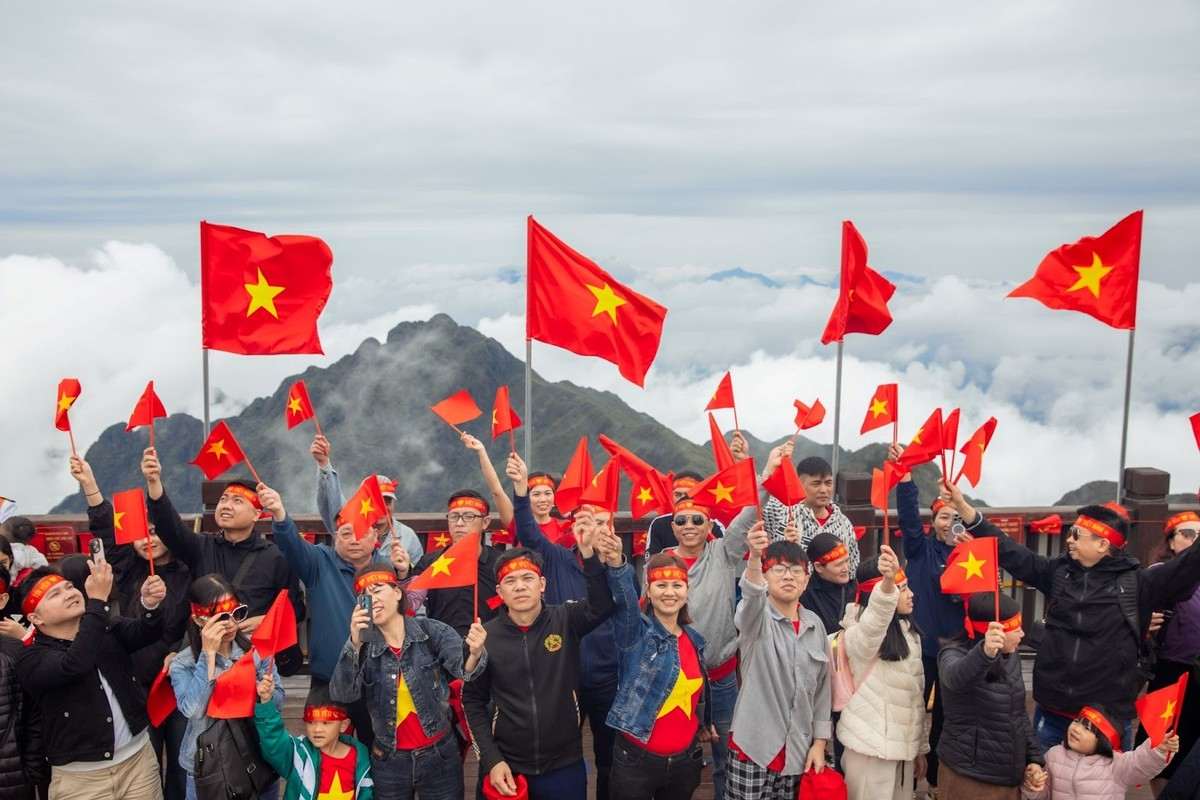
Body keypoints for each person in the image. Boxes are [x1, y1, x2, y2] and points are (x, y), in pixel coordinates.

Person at [939, 479, 1200, 752]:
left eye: (1076, 534)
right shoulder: (1059, 572)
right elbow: (1009, 550)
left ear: (1102, 544)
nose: (1068, 539)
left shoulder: (1141, 583)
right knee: (1043, 785)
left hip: (1105, 719)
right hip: (1053, 711)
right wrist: (964, 509)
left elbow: (1188, 566)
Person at [462, 508, 617, 800]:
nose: (520, 586)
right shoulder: (485, 636)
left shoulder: (566, 618)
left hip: (564, 764)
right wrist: (492, 760)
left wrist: (588, 555)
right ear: (500, 590)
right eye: (510, 581)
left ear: (542, 585)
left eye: (528, 578)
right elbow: (472, 701)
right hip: (507, 765)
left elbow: (602, 606)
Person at [70, 454, 192, 799]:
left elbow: (198, 621)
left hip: (180, 682)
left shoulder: (190, 571)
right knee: (147, 763)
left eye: (155, 532)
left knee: (183, 764)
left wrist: (179, 653)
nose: (148, 539)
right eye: (142, 534)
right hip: (137, 682)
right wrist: (90, 486)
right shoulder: (127, 571)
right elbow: (106, 531)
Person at [502, 453, 622, 800]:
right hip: (560, 678)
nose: (595, 529)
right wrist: (521, 491)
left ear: (610, 529)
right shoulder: (555, 556)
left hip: (606, 678)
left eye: (602, 522)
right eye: (586, 522)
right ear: (574, 528)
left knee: (609, 758)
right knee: (564, 759)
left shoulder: (619, 570)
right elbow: (527, 531)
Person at [268, 478, 416, 747]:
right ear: (336, 538)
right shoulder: (318, 562)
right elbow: (291, 545)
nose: (354, 540)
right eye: (346, 534)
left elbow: (410, 613)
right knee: (328, 753)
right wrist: (279, 514)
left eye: (361, 532)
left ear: (375, 536)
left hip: (379, 677)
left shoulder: (389, 568)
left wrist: (405, 574)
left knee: (381, 750)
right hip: (329, 678)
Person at [331, 564, 486, 799]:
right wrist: (354, 643)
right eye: (364, 596)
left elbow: (463, 669)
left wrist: (475, 653)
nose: (371, 599)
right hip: (388, 760)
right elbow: (342, 693)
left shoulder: (432, 631)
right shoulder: (363, 646)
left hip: (440, 755)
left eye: (377, 589)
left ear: (397, 593)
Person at [15, 560, 167, 799]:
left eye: (69, 587)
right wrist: (97, 602)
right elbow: (75, 663)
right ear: (36, 618)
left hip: (138, 761)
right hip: (80, 779)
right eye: (55, 594)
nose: (69, 594)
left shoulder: (105, 628)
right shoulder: (31, 657)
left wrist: (150, 604)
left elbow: (148, 632)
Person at [142, 449, 305, 644]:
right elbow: (169, 527)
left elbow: (295, 610)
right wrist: (154, 482)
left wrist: (266, 621)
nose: (226, 505)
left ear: (256, 514)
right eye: (223, 500)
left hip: (254, 657)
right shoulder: (201, 546)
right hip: (205, 652)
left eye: (237, 501)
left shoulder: (275, 557)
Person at [598, 535, 715, 800]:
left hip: (686, 760)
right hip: (636, 762)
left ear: (687, 592)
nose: (670, 592)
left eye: (677, 585)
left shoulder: (694, 640)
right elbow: (625, 602)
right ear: (648, 591)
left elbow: (697, 690)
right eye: (661, 585)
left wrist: (704, 722)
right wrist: (617, 561)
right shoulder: (636, 634)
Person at [726, 526, 830, 800]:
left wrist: (819, 744)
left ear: (806, 580)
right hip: (753, 747)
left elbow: (822, 692)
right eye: (779, 569)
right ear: (766, 577)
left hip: (798, 751)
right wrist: (755, 559)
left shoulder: (815, 625)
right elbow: (751, 599)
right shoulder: (755, 619)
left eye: (796, 570)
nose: (788, 576)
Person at [892, 442, 971, 797]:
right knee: (911, 712)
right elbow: (908, 518)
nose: (949, 523)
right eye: (943, 516)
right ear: (933, 521)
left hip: (956, 650)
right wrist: (906, 477)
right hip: (920, 646)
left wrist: (972, 551)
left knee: (948, 716)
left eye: (955, 517)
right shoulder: (920, 548)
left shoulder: (972, 554)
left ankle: (938, 781)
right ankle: (906, 779)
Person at [169, 575, 284, 800]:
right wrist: (208, 655)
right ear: (199, 620)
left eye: (237, 613)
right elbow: (193, 710)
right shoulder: (183, 663)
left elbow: (279, 701)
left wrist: (265, 696)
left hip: (258, 754)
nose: (232, 624)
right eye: (222, 617)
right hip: (208, 765)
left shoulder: (256, 649)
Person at [837, 546, 928, 800]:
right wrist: (888, 584)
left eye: (907, 586)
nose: (911, 595)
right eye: (903, 589)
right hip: (870, 750)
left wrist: (919, 749)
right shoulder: (859, 634)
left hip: (902, 751)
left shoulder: (909, 632)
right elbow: (877, 618)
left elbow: (917, 697)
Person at [937, 592, 1045, 800]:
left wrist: (1033, 759)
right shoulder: (953, 654)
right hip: (970, 777)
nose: (1022, 634)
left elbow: (1018, 713)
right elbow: (955, 678)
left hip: (1008, 777)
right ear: (995, 632)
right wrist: (984, 653)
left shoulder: (1010, 655)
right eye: (1016, 628)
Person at [1139, 510, 1200, 795]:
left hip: (1198, 675)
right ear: (1171, 542)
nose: (1194, 540)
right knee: (1161, 747)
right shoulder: (1159, 575)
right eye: (1187, 534)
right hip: (1170, 673)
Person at [1023, 706, 1177, 800]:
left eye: (1087, 729)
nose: (1076, 729)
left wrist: (1158, 748)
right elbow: (1045, 795)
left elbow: (1140, 762)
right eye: (1077, 721)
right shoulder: (1054, 755)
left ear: (1103, 740)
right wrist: (1034, 786)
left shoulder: (1116, 765)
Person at [311, 435, 424, 562]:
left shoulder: (408, 536)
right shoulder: (347, 524)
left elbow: (417, 575)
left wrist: (403, 572)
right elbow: (330, 497)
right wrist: (324, 464)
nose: (381, 506)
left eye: (387, 500)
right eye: (375, 500)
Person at [405, 490, 502, 636]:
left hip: (491, 643)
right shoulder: (430, 563)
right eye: (454, 516)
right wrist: (402, 574)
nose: (459, 523)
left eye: (469, 517)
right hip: (442, 646)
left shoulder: (501, 563)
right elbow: (411, 604)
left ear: (485, 522)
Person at [255, 683, 374, 800]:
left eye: (326, 723)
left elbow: (366, 793)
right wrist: (266, 703)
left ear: (343, 725)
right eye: (311, 722)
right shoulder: (298, 755)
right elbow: (274, 741)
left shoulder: (360, 757)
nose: (317, 729)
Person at [761, 455, 860, 573]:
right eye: (816, 483)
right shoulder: (782, 511)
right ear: (800, 484)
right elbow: (756, 502)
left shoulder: (843, 523)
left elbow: (853, 566)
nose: (824, 489)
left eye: (828, 483)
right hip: (792, 588)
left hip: (833, 590)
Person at [647, 473, 728, 556]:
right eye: (677, 494)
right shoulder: (659, 524)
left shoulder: (715, 526)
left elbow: (723, 559)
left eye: (688, 494)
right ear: (673, 526)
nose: (682, 498)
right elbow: (652, 561)